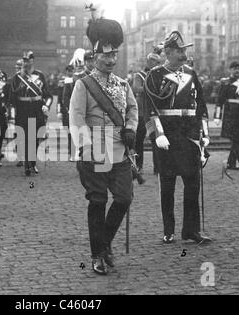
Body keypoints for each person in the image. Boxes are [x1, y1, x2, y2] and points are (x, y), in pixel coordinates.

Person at [70, 18, 138, 275]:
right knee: (98, 202)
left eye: (114, 55)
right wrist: (86, 148)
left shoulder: (123, 84)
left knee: (124, 198)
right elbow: (76, 118)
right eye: (106, 55)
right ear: (95, 55)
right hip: (95, 153)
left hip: (120, 152)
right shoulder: (83, 85)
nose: (111, 60)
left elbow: (132, 108)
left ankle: (105, 242)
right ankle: (98, 254)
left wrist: (130, 127)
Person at [144, 31, 212, 245]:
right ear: (168, 52)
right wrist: (158, 134)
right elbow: (149, 108)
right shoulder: (154, 75)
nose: (184, 54)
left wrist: (205, 134)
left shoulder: (191, 73)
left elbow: (200, 105)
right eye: (179, 51)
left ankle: (191, 230)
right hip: (168, 133)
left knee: (193, 183)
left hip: (189, 132)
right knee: (168, 184)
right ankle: (168, 229)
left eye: (184, 50)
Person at [10, 50, 53, 176]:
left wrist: (46, 106)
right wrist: (12, 113)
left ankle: (32, 163)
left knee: (34, 138)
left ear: (33, 61)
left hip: (36, 109)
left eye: (28, 60)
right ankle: (27, 164)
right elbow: (11, 98)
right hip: (22, 110)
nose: (26, 63)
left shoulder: (40, 75)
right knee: (24, 137)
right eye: (24, 60)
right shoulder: (17, 78)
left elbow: (48, 95)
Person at [214, 61, 239, 171]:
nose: (237, 70)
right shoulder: (225, 83)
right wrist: (217, 116)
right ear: (230, 70)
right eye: (234, 68)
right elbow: (219, 102)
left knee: (238, 140)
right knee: (236, 140)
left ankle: (230, 164)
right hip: (230, 116)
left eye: (238, 68)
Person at [132, 52, 162, 173]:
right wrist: (151, 88)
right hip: (141, 112)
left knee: (156, 140)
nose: (157, 65)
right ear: (149, 62)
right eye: (155, 62)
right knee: (139, 140)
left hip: (154, 112)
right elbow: (136, 88)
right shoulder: (139, 75)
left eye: (158, 62)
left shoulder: (159, 76)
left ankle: (158, 167)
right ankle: (139, 166)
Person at [61, 49, 92, 161]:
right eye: (88, 61)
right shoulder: (72, 78)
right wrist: (69, 109)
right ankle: (74, 153)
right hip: (76, 109)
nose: (91, 63)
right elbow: (66, 96)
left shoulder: (91, 76)